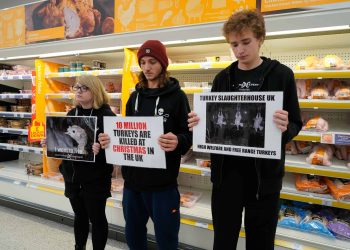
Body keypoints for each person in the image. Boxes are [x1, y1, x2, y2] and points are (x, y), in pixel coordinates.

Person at [188, 10, 302, 250]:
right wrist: (200, 124)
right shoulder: (223, 78)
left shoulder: (281, 75)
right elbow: (215, 122)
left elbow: (295, 124)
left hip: (264, 180)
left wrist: (285, 127)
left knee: (260, 242)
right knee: (224, 240)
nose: (240, 50)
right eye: (234, 44)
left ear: (260, 38)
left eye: (246, 42)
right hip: (226, 177)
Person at [99, 40, 192, 250]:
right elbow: (127, 132)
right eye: (143, 62)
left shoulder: (177, 97)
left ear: (163, 64)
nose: (147, 67)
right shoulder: (134, 98)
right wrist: (110, 140)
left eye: (152, 61)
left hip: (163, 186)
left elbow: (188, 135)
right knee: (134, 235)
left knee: (167, 239)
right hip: (132, 185)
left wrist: (179, 140)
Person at [42, 75, 115, 250]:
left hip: (96, 178)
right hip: (73, 177)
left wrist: (102, 150)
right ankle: (79, 247)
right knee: (79, 216)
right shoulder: (72, 113)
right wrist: (51, 143)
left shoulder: (107, 116)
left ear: (95, 90)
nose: (79, 91)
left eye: (84, 88)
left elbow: (116, 150)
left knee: (97, 218)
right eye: (77, 87)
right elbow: (66, 144)